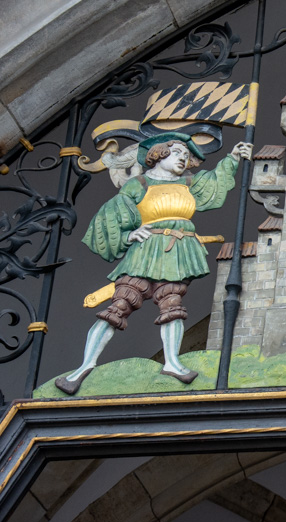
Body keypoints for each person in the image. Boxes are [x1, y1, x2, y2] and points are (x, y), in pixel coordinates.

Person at [55, 133, 252, 394]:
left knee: (172, 304)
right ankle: (84, 367)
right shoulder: (139, 184)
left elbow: (213, 184)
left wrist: (233, 157)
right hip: (147, 250)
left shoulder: (189, 183)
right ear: (159, 154)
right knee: (120, 303)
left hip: (177, 251)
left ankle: (172, 363)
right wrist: (128, 234)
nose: (183, 158)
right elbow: (111, 216)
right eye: (177, 153)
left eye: (186, 156)